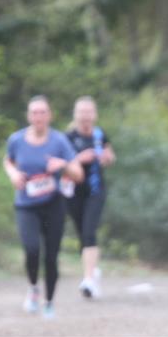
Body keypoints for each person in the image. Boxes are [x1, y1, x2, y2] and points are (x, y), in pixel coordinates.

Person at [4, 96, 83, 319]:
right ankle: (33, 288)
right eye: (34, 112)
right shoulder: (16, 140)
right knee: (31, 249)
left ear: (50, 115)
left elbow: (78, 174)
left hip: (53, 205)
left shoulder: (59, 142)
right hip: (26, 205)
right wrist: (13, 174)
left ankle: (49, 302)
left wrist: (63, 165)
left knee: (51, 255)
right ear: (29, 116)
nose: (38, 116)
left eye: (43, 112)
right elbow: (8, 160)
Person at [63, 96, 116, 299]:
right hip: (73, 191)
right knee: (81, 233)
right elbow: (60, 163)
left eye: (88, 112)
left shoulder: (100, 135)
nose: (85, 116)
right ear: (76, 114)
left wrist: (106, 157)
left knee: (89, 230)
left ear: (94, 114)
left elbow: (111, 156)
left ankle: (88, 280)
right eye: (81, 112)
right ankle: (92, 271)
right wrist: (79, 158)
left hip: (95, 191)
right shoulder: (67, 137)